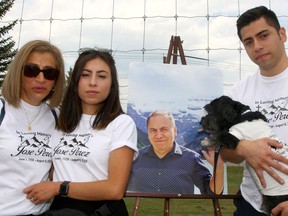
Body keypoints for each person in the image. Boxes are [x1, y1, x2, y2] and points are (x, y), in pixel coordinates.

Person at [23, 49, 138, 215]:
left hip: (101, 211)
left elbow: (115, 189)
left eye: (102, 76)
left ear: (112, 84)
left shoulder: (121, 123)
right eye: (85, 75)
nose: (93, 82)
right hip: (60, 210)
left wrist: (59, 187)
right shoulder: (58, 120)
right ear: (76, 81)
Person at [219, 6, 288, 216]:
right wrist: (243, 148)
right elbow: (225, 151)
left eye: (263, 36)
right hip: (252, 205)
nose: (257, 46)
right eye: (248, 42)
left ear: (282, 34)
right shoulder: (239, 92)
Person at [0, 40, 65, 215]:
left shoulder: (58, 118)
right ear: (18, 72)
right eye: (31, 70)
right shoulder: (2, 110)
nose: (40, 79)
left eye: (49, 73)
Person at [127, 110, 224, 195]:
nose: (159, 135)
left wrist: (219, 167)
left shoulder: (191, 158)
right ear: (148, 132)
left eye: (164, 129)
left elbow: (212, 193)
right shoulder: (134, 157)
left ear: (175, 131)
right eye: (153, 130)